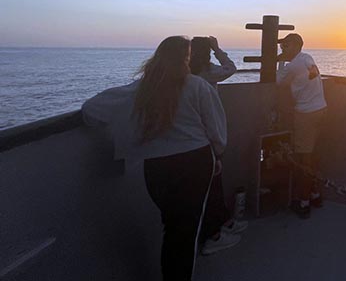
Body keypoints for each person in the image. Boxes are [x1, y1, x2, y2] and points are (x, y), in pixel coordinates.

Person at [82, 36, 232, 280]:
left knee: (173, 229)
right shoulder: (197, 86)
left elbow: (91, 110)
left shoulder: (142, 89)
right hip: (195, 164)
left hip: (156, 168)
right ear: (186, 58)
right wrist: (217, 155)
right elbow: (217, 131)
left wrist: (117, 138)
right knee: (186, 232)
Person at [189, 36, 247, 255]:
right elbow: (230, 68)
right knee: (213, 187)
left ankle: (221, 224)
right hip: (208, 138)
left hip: (194, 137)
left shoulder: (186, 72)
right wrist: (217, 48)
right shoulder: (208, 71)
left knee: (211, 187)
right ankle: (213, 235)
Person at [276, 33, 327, 218]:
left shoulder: (293, 65)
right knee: (312, 155)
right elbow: (311, 73)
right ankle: (315, 194)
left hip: (305, 114)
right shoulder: (307, 58)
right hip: (321, 109)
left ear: (297, 45)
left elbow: (278, 81)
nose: (283, 49)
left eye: (286, 46)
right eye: (282, 46)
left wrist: (280, 61)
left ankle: (304, 202)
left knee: (304, 159)